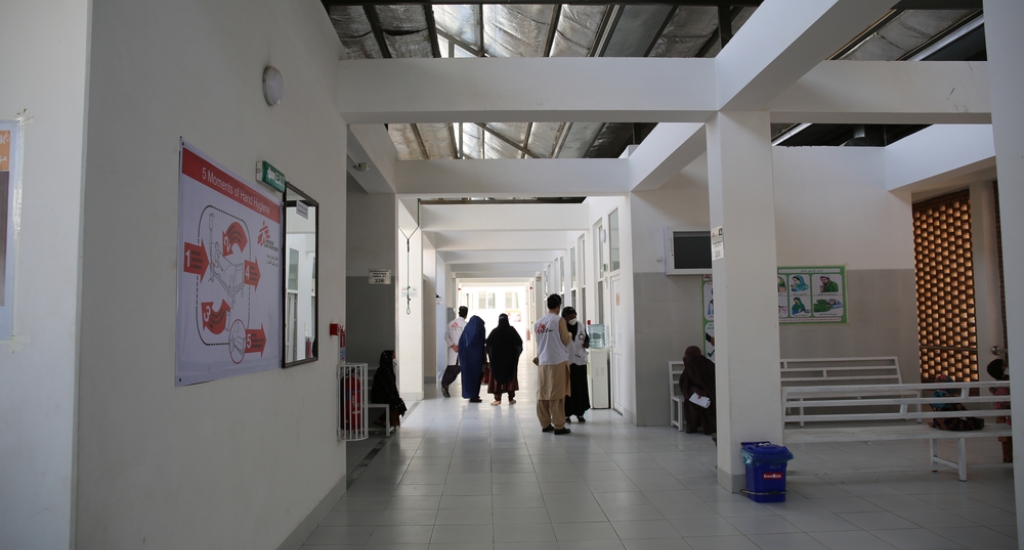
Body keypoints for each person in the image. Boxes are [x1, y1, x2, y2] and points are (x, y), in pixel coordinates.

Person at [534, 294, 572, 435]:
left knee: (543, 393)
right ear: (558, 306)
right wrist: (571, 336)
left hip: (543, 361)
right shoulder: (559, 320)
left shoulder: (538, 323)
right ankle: (559, 426)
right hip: (558, 361)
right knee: (557, 394)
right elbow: (566, 340)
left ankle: (545, 424)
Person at [485, 313, 522, 405]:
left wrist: (492, 355)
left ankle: (498, 399)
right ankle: (511, 398)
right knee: (510, 377)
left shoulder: (495, 332)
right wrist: (514, 355)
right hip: (510, 361)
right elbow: (519, 343)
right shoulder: (512, 331)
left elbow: (488, 344)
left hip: (497, 362)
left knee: (497, 378)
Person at [562, 306, 590, 423]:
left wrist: (587, 343)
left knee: (580, 388)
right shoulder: (561, 327)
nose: (573, 318)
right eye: (570, 316)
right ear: (565, 317)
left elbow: (586, 338)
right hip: (567, 362)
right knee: (567, 389)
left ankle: (580, 413)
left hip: (580, 362)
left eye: (574, 316)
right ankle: (566, 414)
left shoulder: (581, 325)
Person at [679, 346, 716, 436]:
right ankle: (707, 427)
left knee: (699, 400)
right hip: (698, 392)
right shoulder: (706, 364)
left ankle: (693, 426)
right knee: (692, 399)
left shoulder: (698, 364)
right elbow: (687, 384)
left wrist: (702, 392)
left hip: (709, 392)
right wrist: (696, 391)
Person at [370, 350, 407, 428]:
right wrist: (392, 397)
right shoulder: (382, 371)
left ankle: (383, 420)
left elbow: (392, 387)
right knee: (396, 404)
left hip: (387, 395)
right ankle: (381, 420)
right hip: (379, 396)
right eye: (393, 357)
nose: (394, 359)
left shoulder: (389, 370)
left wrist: (395, 396)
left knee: (398, 403)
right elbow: (384, 388)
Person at [440, 306, 469, 398]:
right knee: (456, 369)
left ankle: (445, 384)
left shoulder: (450, 324)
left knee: (452, 368)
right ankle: (445, 384)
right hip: (461, 350)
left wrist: (452, 345)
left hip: (453, 350)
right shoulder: (466, 324)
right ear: (466, 314)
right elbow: (467, 338)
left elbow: (446, 336)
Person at [987, 359, 1012, 463]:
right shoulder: (1002, 385)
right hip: (1005, 414)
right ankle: (1008, 458)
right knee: (1006, 437)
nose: (1007, 366)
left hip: (1004, 414)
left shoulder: (1000, 384)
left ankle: (1008, 457)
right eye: (1004, 365)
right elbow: (1004, 401)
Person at [457, 315, 487, 403]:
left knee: (468, 377)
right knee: (475, 377)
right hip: (476, 360)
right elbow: (481, 345)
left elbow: (461, 346)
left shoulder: (466, 331)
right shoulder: (479, 331)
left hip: (466, 360)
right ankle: (474, 395)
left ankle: (471, 395)